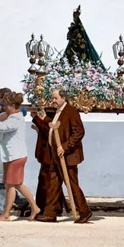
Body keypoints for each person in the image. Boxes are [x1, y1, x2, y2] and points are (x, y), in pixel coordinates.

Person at [33, 89, 91, 224]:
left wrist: (65, 147)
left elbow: (79, 132)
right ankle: (50, 213)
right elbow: (56, 128)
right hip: (56, 155)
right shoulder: (59, 111)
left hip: (67, 156)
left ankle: (84, 212)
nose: (53, 100)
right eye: (52, 98)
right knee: (53, 184)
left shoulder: (71, 111)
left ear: (63, 97)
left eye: (55, 98)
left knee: (72, 184)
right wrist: (43, 119)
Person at [0, 89, 40, 222]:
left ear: (13, 106)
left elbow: (1, 128)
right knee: (12, 185)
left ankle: (8, 214)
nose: (4, 107)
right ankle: (31, 207)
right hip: (10, 155)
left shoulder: (16, 118)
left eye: (6, 105)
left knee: (13, 184)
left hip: (16, 156)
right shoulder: (12, 116)